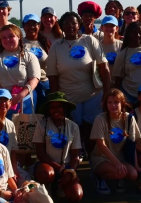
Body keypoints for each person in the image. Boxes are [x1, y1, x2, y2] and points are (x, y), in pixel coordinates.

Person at [48, 12, 111, 149]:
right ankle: (76, 153)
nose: (70, 26)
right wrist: (56, 99)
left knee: (91, 127)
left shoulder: (89, 40)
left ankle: (91, 155)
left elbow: (104, 67)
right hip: (69, 97)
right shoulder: (56, 46)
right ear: (61, 26)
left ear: (79, 25)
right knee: (75, 127)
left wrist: (107, 91)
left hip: (93, 94)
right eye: (67, 23)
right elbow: (52, 75)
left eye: (74, 23)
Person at [32, 92, 84, 203]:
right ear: (48, 110)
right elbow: (40, 154)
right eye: (52, 107)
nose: (56, 110)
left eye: (59, 106)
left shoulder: (73, 126)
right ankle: (47, 187)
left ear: (64, 108)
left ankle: (61, 187)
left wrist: (70, 172)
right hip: (47, 165)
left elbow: (75, 156)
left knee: (76, 195)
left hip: (67, 167)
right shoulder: (42, 125)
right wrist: (59, 167)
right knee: (47, 173)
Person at [0, 24, 41, 114]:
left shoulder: (29, 56)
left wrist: (19, 96)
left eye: (11, 36)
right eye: (4, 37)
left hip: (23, 101)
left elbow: (34, 79)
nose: (7, 40)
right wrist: (4, 94)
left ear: (19, 37)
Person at [90, 89, 140, 195]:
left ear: (122, 103)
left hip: (120, 158)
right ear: (106, 104)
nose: (113, 105)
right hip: (101, 158)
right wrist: (117, 164)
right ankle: (99, 177)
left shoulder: (129, 118)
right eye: (110, 102)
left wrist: (136, 165)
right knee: (119, 172)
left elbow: (133, 144)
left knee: (133, 174)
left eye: (116, 102)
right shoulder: (100, 118)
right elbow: (101, 144)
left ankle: (118, 176)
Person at [112, 22, 141, 104]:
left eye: (140, 33)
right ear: (129, 34)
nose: (137, 35)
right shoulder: (122, 55)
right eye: (134, 33)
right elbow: (118, 80)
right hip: (129, 95)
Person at [22, 13, 50, 102]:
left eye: (34, 24)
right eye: (28, 25)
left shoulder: (45, 42)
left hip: (45, 83)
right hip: (28, 84)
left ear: (39, 25)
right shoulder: (20, 43)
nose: (31, 27)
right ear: (23, 26)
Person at [98, 16, 121, 85]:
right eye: (106, 26)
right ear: (102, 28)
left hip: (118, 83)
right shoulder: (96, 46)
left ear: (117, 28)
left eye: (112, 26)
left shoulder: (121, 45)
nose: (109, 28)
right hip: (101, 84)